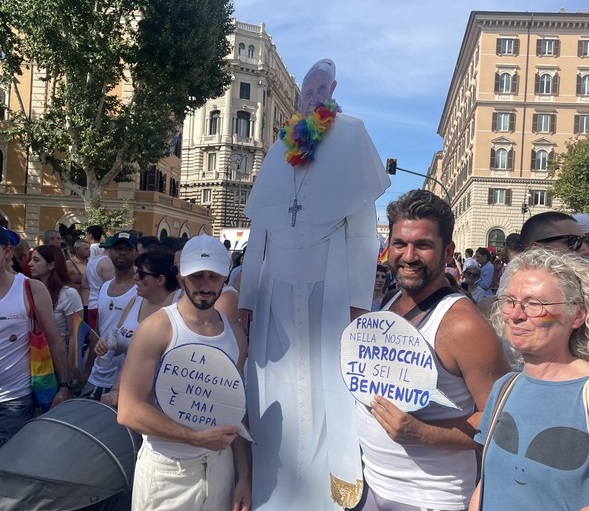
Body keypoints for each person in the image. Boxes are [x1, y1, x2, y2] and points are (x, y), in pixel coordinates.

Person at [239, 58, 389, 510]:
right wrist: (248, 298)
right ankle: (274, 487)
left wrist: (358, 304)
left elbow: (363, 230)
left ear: (333, 89)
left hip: (329, 280)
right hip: (276, 287)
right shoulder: (278, 146)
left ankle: (326, 488)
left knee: (328, 381)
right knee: (273, 380)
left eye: (319, 88)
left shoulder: (352, 134)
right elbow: (258, 232)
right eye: (306, 89)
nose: (311, 96)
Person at [354, 189, 510, 511]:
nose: (408, 256)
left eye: (423, 245)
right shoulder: (390, 301)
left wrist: (424, 434)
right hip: (369, 485)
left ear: (447, 250)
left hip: (429, 498)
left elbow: (502, 420)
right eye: (400, 243)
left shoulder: (463, 326)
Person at [118, 234, 251, 511]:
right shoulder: (157, 328)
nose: (205, 285)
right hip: (168, 470)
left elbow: (235, 410)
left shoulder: (235, 335)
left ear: (225, 277)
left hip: (219, 468)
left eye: (213, 276)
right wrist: (194, 438)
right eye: (196, 276)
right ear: (180, 277)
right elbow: (129, 410)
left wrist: (244, 476)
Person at [469, 249, 589, 511]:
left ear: (577, 315)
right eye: (510, 301)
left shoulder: (585, 395)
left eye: (535, 304)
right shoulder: (505, 388)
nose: (515, 314)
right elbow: (489, 482)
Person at [0, 228, 69, 446]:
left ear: (8, 251)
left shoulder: (29, 288)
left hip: (14, 401)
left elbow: (55, 339)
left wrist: (64, 386)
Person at [99, 249, 179, 409]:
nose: (135, 278)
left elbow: (141, 356)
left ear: (160, 280)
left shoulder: (177, 310)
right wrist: (107, 344)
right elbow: (120, 345)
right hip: (127, 395)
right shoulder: (135, 302)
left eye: (141, 274)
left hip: (161, 402)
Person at [79, 231, 137, 399]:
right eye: (118, 248)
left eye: (128, 249)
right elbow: (97, 331)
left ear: (136, 253)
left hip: (122, 383)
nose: (122, 252)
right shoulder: (104, 287)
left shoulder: (140, 291)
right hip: (97, 375)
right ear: (109, 252)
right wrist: (87, 369)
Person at [29, 245, 84, 377]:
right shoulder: (30, 290)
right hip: (35, 358)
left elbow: (75, 336)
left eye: (36, 260)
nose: (30, 264)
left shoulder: (69, 294)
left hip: (58, 360)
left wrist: (70, 372)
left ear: (51, 265)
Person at [520, 211, 589, 256]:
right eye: (572, 241)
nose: (586, 250)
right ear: (536, 249)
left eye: (586, 241)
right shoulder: (519, 277)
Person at [82, 236, 115, 330]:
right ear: (112, 249)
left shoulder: (92, 260)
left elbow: (84, 283)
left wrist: (94, 286)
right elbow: (109, 288)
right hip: (102, 306)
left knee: (93, 338)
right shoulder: (108, 263)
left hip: (91, 304)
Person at [66, 239, 90, 316]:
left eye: (89, 249)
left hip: (90, 301)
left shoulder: (91, 262)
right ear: (77, 250)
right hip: (77, 301)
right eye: (86, 249)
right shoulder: (69, 264)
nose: (89, 251)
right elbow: (68, 279)